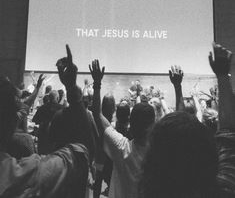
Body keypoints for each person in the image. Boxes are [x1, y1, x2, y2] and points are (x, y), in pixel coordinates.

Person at [139, 43, 235, 198]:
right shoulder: (223, 190)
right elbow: (228, 133)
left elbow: (178, 135)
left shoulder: (151, 191)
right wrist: (223, 75)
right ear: (207, 152)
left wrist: (178, 88)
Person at [0, 45, 90, 198]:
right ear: (11, 121)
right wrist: (71, 87)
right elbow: (81, 151)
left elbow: (27, 109)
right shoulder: (27, 174)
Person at [90, 60, 155, 198]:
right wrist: (178, 87)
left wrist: (97, 83)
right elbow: (181, 129)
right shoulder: (159, 152)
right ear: (152, 125)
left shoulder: (121, 148)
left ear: (132, 122)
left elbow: (97, 114)